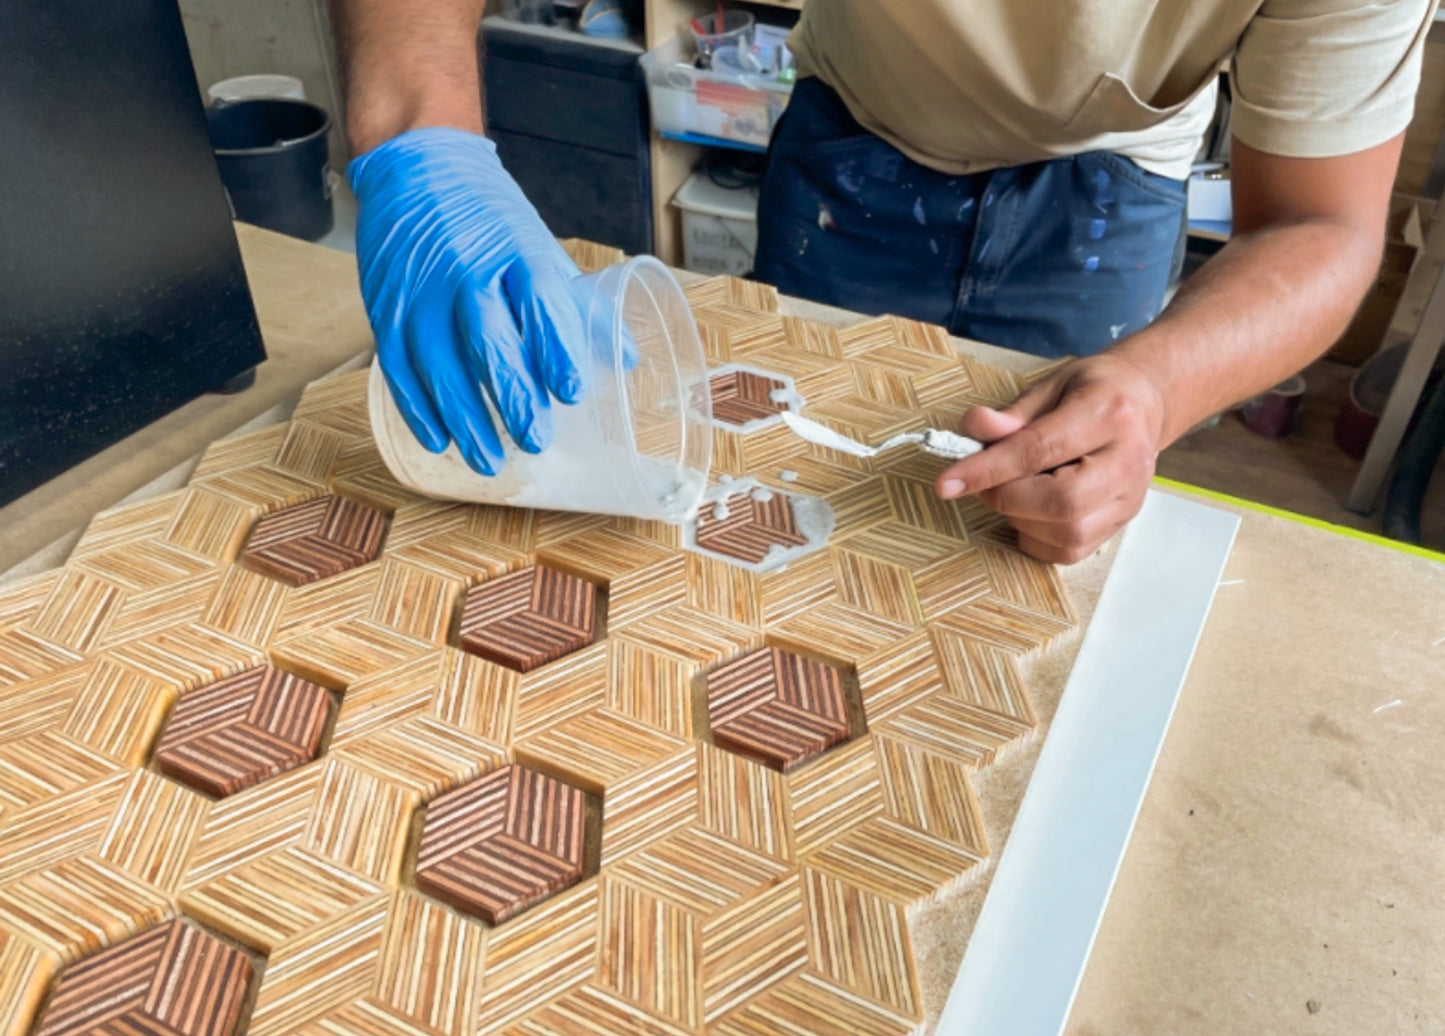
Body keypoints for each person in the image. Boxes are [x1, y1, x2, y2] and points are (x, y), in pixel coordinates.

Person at [333, 0, 1435, 562]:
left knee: (1032, 520)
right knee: (770, 447)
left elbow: (1320, 226)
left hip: (1107, 180)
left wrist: (1151, 390)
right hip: (853, 133)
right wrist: (425, 148)